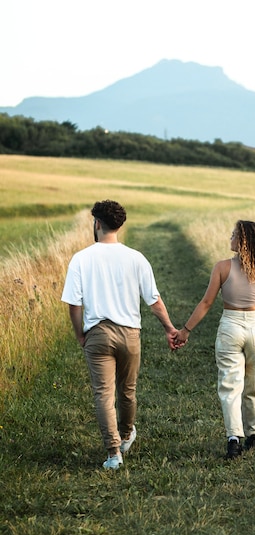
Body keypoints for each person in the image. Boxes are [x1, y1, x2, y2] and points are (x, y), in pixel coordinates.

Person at [61, 200, 178, 470]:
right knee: (128, 391)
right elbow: (154, 301)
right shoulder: (136, 258)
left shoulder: (81, 258)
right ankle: (126, 434)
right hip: (130, 334)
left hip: (98, 334)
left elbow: (74, 305)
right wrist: (170, 329)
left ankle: (114, 453)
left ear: (97, 223)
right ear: (119, 225)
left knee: (103, 394)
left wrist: (80, 335)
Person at [175, 220, 255, 459]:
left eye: (233, 235)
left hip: (230, 327)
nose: (230, 238)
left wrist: (186, 330)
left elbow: (206, 303)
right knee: (254, 383)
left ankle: (234, 438)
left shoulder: (222, 267)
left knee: (230, 385)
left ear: (242, 241)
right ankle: (254, 434)